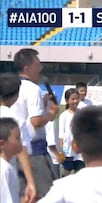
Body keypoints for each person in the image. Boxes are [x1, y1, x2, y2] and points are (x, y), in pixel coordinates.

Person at [11, 48, 59, 200]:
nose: (41, 68)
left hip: (12, 149)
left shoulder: (11, 86)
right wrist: (50, 115)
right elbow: (36, 121)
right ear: (27, 67)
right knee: (45, 195)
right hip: (34, 151)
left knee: (20, 194)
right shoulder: (33, 89)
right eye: (38, 64)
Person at [0, 72, 36, 203]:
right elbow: (23, 151)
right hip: (7, 170)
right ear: (16, 95)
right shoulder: (14, 119)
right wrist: (31, 183)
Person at [58, 88, 85, 176]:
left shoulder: (82, 113)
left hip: (80, 151)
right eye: (73, 99)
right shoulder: (64, 116)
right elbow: (61, 134)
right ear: (67, 100)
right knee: (65, 174)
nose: (75, 101)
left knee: (80, 175)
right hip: (68, 151)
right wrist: (61, 151)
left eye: (77, 99)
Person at [0, 118, 23, 203]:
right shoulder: (4, 170)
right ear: (2, 144)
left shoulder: (8, 167)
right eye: (17, 138)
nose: (21, 142)